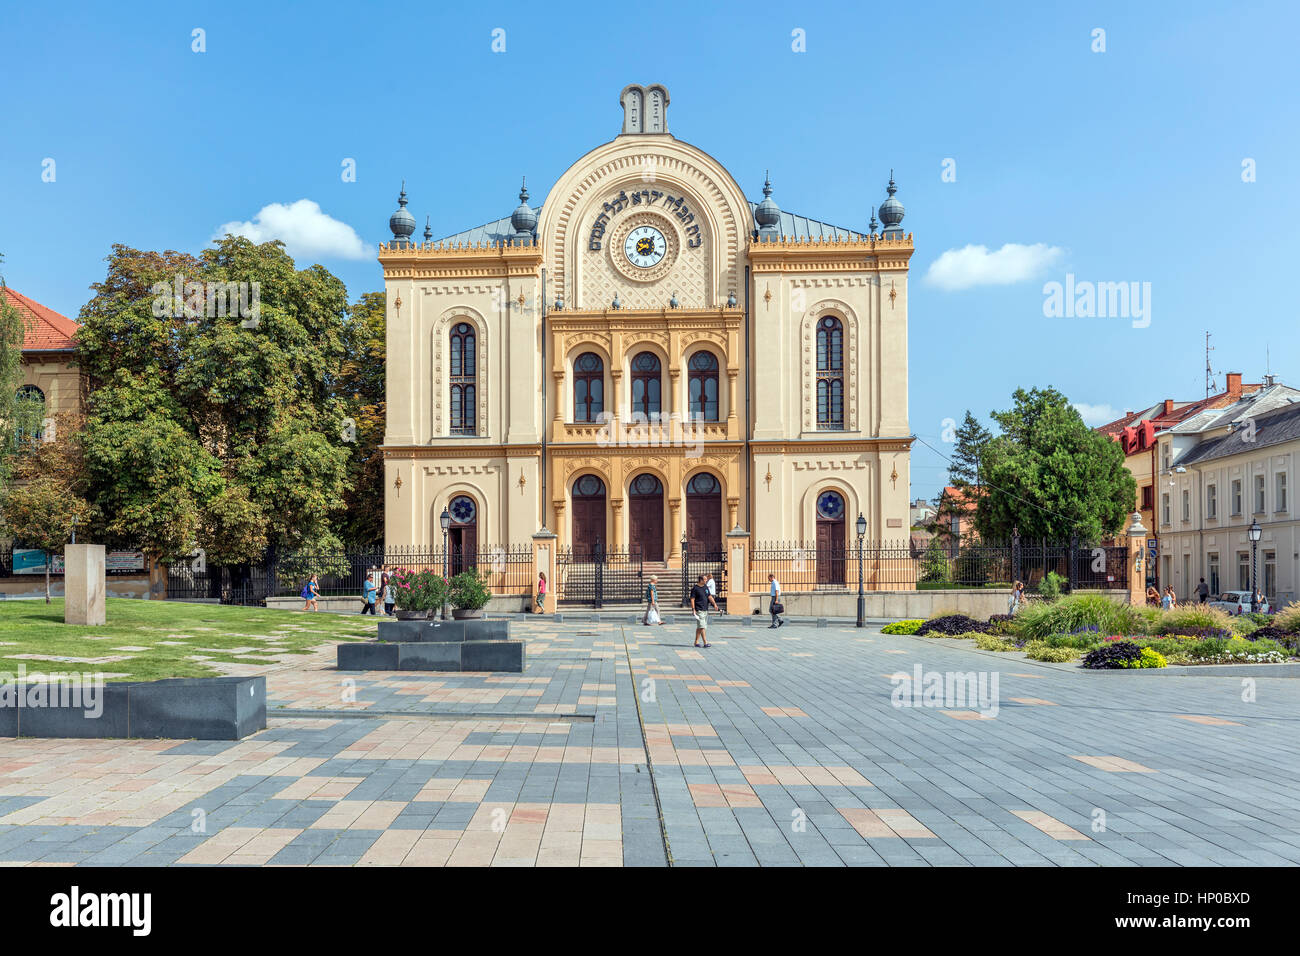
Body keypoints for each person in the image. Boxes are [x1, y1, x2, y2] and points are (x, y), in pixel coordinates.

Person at [691, 574, 717, 647]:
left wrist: (714, 604)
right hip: (699, 609)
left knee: (700, 626)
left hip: (705, 609)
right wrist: (693, 609)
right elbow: (692, 599)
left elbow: (709, 596)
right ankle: (705, 642)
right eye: (705, 579)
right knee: (702, 626)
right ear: (701, 580)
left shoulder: (705, 587)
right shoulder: (695, 588)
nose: (706, 580)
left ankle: (696, 642)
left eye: (706, 579)